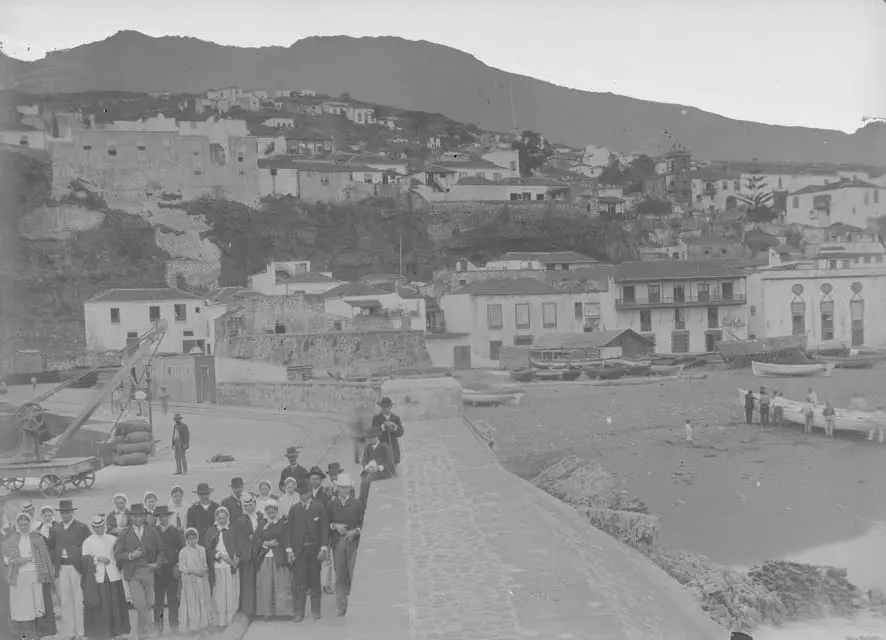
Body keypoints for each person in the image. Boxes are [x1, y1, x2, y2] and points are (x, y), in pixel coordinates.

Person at [2, 512, 57, 640]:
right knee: (23, 605)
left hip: (36, 576)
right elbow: (7, 559)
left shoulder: (37, 538)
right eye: (21, 525)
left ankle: (36, 633)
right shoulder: (11, 540)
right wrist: (22, 560)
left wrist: (49, 575)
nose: (24, 527)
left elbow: (46, 558)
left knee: (36, 604)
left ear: (30, 524)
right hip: (20, 577)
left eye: (26, 524)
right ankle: (25, 633)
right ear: (17, 525)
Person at [114, 503, 166, 639]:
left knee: (147, 604)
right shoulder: (124, 533)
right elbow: (117, 554)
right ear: (131, 517)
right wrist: (131, 556)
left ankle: (142, 635)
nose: (137, 519)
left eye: (140, 516)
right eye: (134, 516)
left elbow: (161, 550)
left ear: (144, 517)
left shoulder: (152, 531)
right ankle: (151, 630)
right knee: (140, 603)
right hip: (133, 573)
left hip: (149, 571)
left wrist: (157, 564)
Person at [285, 478, 329, 623]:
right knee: (300, 581)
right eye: (301, 493)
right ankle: (300, 612)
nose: (304, 496)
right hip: (299, 551)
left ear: (310, 492)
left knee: (315, 579)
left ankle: (316, 610)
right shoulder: (294, 509)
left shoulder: (319, 507)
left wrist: (323, 547)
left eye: (307, 493)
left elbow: (324, 528)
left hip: (315, 549)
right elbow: (289, 531)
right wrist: (289, 550)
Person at [81, 514, 130, 640]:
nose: (99, 529)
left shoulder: (112, 539)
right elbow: (85, 560)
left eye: (101, 526)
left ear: (105, 526)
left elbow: (119, 555)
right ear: (92, 527)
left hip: (113, 575)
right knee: (102, 605)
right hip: (98, 576)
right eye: (96, 527)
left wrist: (115, 564)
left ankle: (117, 630)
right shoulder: (88, 541)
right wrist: (97, 559)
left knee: (115, 603)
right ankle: (103, 632)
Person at [50, 499, 89, 640]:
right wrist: (56, 559)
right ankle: (68, 632)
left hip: (76, 568)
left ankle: (81, 631)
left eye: (68, 512)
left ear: (72, 512)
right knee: (65, 601)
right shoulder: (55, 529)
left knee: (78, 600)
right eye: (63, 513)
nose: (65, 515)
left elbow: (88, 546)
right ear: (60, 514)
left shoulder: (82, 527)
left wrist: (77, 553)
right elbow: (52, 547)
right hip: (62, 568)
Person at [326, 473, 363, 617]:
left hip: (352, 542)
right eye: (341, 488)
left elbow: (362, 522)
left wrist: (355, 531)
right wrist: (335, 526)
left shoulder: (356, 503)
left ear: (350, 489)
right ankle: (341, 607)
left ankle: (356, 606)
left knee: (353, 573)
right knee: (340, 575)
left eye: (346, 488)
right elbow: (327, 523)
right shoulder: (331, 504)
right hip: (338, 543)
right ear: (337, 489)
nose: (343, 490)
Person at [254, 499, 292, 620]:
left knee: (281, 584)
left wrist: (278, 545)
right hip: (265, 558)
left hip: (279, 557)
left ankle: (283, 612)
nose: (271, 512)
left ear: (277, 510)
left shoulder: (282, 523)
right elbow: (256, 539)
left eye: (273, 510)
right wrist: (266, 543)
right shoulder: (261, 524)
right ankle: (267, 612)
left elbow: (287, 538)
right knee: (265, 585)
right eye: (268, 510)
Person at [204, 506, 240, 628]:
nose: (222, 520)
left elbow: (238, 545)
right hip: (218, 566)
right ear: (216, 518)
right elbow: (208, 548)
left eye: (224, 518)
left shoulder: (232, 529)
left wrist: (236, 557)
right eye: (220, 518)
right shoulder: (211, 530)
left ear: (228, 518)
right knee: (219, 593)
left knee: (230, 592)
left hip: (230, 566)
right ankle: (220, 620)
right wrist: (218, 554)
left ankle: (231, 619)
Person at [153, 506, 184, 634]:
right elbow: (150, 549)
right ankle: (159, 626)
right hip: (159, 570)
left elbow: (182, 549)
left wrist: (177, 564)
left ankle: (174, 625)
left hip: (172, 570)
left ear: (168, 517)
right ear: (158, 518)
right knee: (159, 601)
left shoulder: (175, 531)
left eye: (165, 516)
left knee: (173, 600)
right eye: (160, 516)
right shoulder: (153, 531)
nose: (163, 518)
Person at [177, 528, 212, 634]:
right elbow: (182, 567)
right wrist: (194, 572)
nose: (192, 541)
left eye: (194, 538)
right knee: (192, 603)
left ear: (198, 538)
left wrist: (204, 570)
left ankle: (203, 624)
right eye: (190, 539)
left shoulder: (202, 549)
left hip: (201, 579)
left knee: (202, 600)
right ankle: (193, 626)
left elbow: (205, 563)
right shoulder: (183, 551)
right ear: (186, 540)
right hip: (190, 580)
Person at [233, 493, 261, 619]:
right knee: (249, 583)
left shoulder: (260, 516)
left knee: (261, 582)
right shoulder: (241, 520)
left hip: (262, 552)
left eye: (251, 504)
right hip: (249, 555)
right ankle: (249, 610)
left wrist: (255, 539)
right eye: (246, 505)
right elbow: (240, 539)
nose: (249, 507)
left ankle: (260, 609)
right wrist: (251, 543)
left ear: (254, 504)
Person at [359, 425, 397, 506]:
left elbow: (390, 461)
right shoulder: (368, 448)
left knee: (366, 482)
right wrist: (367, 467)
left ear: (377, 437)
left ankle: (364, 502)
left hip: (384, 471)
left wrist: (379, 468)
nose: (371, 440)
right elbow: (364, 461)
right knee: (363, 480)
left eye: (373, 437)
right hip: (371, 470)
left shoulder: (384, 447)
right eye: (369, 438)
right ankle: (363, 501)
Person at [372, 397, 405, 465]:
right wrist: (383, 427)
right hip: (381, 448)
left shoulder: (396, 418)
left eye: (386, 406)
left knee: (394, 469)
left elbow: (401, 432)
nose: (384, 408)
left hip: (393, 448)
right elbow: (373, 432)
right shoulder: (376, 418)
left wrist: (394, 429)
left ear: (390, 407)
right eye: (383, 406)